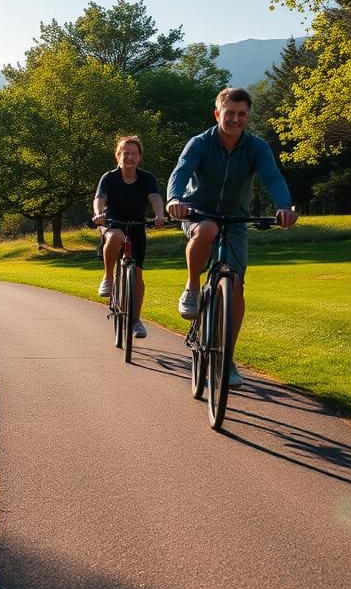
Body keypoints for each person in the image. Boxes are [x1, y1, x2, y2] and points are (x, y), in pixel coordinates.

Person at [166, 87, 298, 387]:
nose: (235, 119)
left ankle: (226, 359)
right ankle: (192, 286)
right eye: (229, 113)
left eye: (242, 115)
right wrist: (175, 199)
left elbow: (273, 177)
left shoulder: (257, 147)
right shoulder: (200, 143)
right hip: (197, 213)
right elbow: (181, 171)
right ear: (218, 113)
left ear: (248, 117)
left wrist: (284, 207)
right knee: (208, 230)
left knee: (236, 285)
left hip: (236, 220)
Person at [93, 135, 165, 339]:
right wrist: (99, 214)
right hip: (112, 224)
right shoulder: (109, 177)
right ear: (118, 156)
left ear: (140, 157)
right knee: (115, 236)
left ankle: (135, 321)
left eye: (134, 154)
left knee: (138, 275)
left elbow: (156, 199)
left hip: (137, 226)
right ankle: (108, 277)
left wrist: (159, 215)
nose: (130, 157)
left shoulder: (146, 178)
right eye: (126, 153)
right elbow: (100, 198)